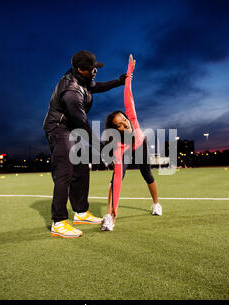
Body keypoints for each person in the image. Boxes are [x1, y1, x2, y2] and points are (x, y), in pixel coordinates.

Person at [43, 50, 127, 238]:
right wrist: (103, 149)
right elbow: (83, 125)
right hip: (59, 128)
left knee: (81, 168)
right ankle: (58, 221)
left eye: (95, 68)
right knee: (65, 171)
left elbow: (97, 87)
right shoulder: (71, 91)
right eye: (91, 69)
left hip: (72, 128)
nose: (95, 72)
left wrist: (118, 82)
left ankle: (81, 213)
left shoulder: (83, 79)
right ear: (80, 69)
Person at [101, 54, 162, 231]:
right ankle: (109, 216)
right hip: (127, 149)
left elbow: (128, 95)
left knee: (147, 175)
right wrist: (115, 210)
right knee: (114, 180)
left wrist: (129, 73)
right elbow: (118, 179)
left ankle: (156, 203)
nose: (124, 124)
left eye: (124, 120)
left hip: (141, 145)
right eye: (119, 125)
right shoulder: (119, 146)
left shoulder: (132, 119)